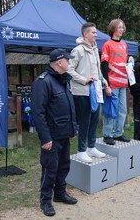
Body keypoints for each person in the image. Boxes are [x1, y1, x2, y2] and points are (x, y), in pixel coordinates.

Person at [31, 49, 78, 217]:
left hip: (64, 133)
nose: (70, 62)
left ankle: (60, 193)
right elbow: (38, 113)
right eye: (68, 60)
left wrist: (73, 128)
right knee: (50, 169)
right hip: (51, 137)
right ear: (59, 62)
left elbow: (69, 107)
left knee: (64, 166)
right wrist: (45, 138)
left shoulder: (63, 80)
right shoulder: (43, 82)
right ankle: (45, 201)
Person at [68, 22, 110, 163]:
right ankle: (81, 151)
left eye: (96, 32)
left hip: (95, 92)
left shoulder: (94, 49)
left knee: (94, 120)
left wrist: (103, 80)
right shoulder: (78, 50)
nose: (96, 35)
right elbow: (69, 69)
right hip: (82, 92)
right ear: (85, 34)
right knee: (84, 122)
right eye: (93, 32)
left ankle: (91, 147)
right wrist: (84, 80)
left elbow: (97, 71)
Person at [101, 19, 131, 145]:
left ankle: (118, 133)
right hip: (112, 83)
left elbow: (124, 64)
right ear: (113, 28)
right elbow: (104, 65)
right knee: (110, 110)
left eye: (123, 27)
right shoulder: (107, 44)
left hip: (123, 83)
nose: (122, 29)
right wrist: (106, 84)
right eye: (119, 27)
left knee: (122, 110)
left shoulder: (124, 45)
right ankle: (107, 134)